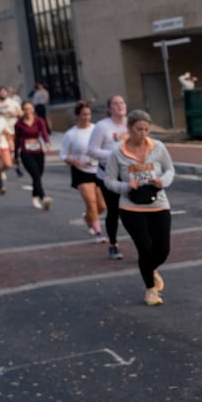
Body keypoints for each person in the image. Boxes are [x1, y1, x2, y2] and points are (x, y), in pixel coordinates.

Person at [100, 110, 173, 304]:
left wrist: (162, 181)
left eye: (146, 129)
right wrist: (125, 186)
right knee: (145, 249)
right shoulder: (118, 153)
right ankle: (151, 290)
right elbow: (107, 179)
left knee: (163, 249)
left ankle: (150, 268)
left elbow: (170, 170)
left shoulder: (158, 147)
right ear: (129, 129)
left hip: (158, 203)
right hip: (131, 207)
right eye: (139, 129)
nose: (143, 133)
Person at [88, 95, 129, 261]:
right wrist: (115, 154)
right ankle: (113, 244)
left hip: (129, 174)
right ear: (109, 109)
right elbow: (92, 150)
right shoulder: (102, 127)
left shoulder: (131, 123)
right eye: (115, 103)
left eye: (122, 103)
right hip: (108, 175)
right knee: (114, 211)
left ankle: (143, 241)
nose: (119, 106)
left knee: (134, 209)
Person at [61, 100, 106, 242]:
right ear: (77, 116)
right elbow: (63, 154)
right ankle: (98, 233)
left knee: (102, 206)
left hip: (97, 170)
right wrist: (74, 161)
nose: (86, 117)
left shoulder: (96, 129)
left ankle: (88, 218)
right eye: (83, 115)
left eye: (88, 114)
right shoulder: (71, 134)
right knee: (91, 203)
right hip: (81, 172)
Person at [14, 100, 53, 210]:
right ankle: (44, 197)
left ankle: (35, 196)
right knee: (35, 175)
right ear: (22, 110)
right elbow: (17, 139)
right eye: (25, 109)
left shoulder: (39, 120)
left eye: (29, 108)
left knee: (39, 175)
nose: (28, 111)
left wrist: (47, 143)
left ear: (33, 109)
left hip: (38, 150)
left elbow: (44, 133)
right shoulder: (19, 124)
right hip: (26, 152)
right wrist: (15, 155)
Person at [0, 87, 22, 174]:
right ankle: (3, 167)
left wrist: (15, 114)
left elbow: (21, 113)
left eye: (4, 92)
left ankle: (17, 165)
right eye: (1, 92)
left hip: (13, 128)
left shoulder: (13, 102)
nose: (3, 94)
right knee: (6, 149)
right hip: (2, 130)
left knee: (15, 149)